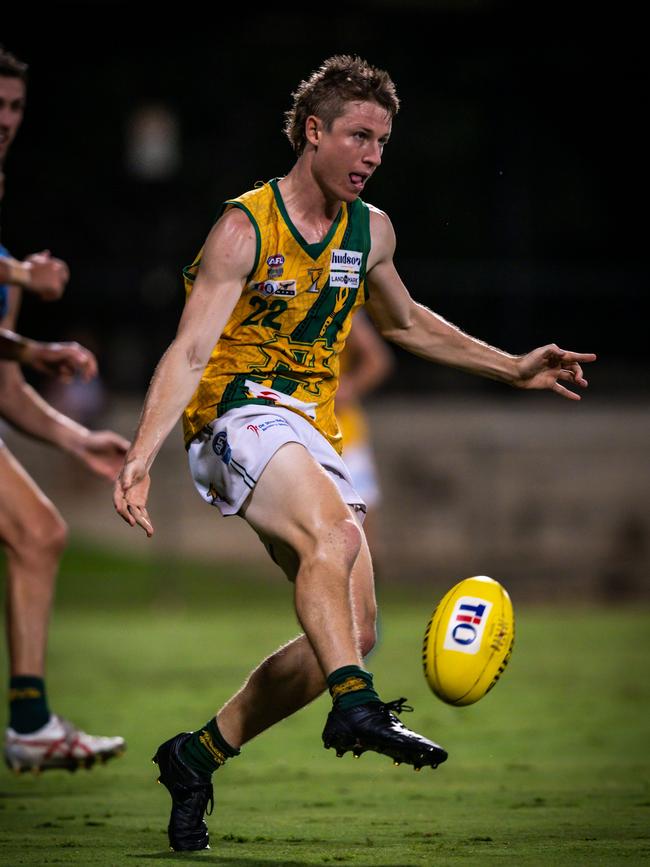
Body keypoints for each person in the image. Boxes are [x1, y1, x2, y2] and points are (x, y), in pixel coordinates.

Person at [113, 55, 596, 852]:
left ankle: (195, 755)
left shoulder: (371, 230)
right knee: (331, 542)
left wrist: (512, 364)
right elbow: (191, 349)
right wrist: (141, 453)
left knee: (353, 627)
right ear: (314, 132)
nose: (373, 155)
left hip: (310, 427)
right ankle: (358, 708)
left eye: (383, 141)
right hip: (234, 416)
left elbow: (404, 323)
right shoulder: (246, 226)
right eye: (359, 136)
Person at [1, 46, 128, 773]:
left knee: (41, 531)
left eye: (15, 107)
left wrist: (80, 439)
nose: (6, 120)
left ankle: (28, 722)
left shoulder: (10, 257)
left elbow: (5, 385)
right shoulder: (18, 266)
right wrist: (22, 277)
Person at [336, 310, 393, 563]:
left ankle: (366, 599)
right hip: (294, 428)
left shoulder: (340, 300)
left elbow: (377, 359)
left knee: (363, 528)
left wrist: (348, 388)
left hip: (343, 430)